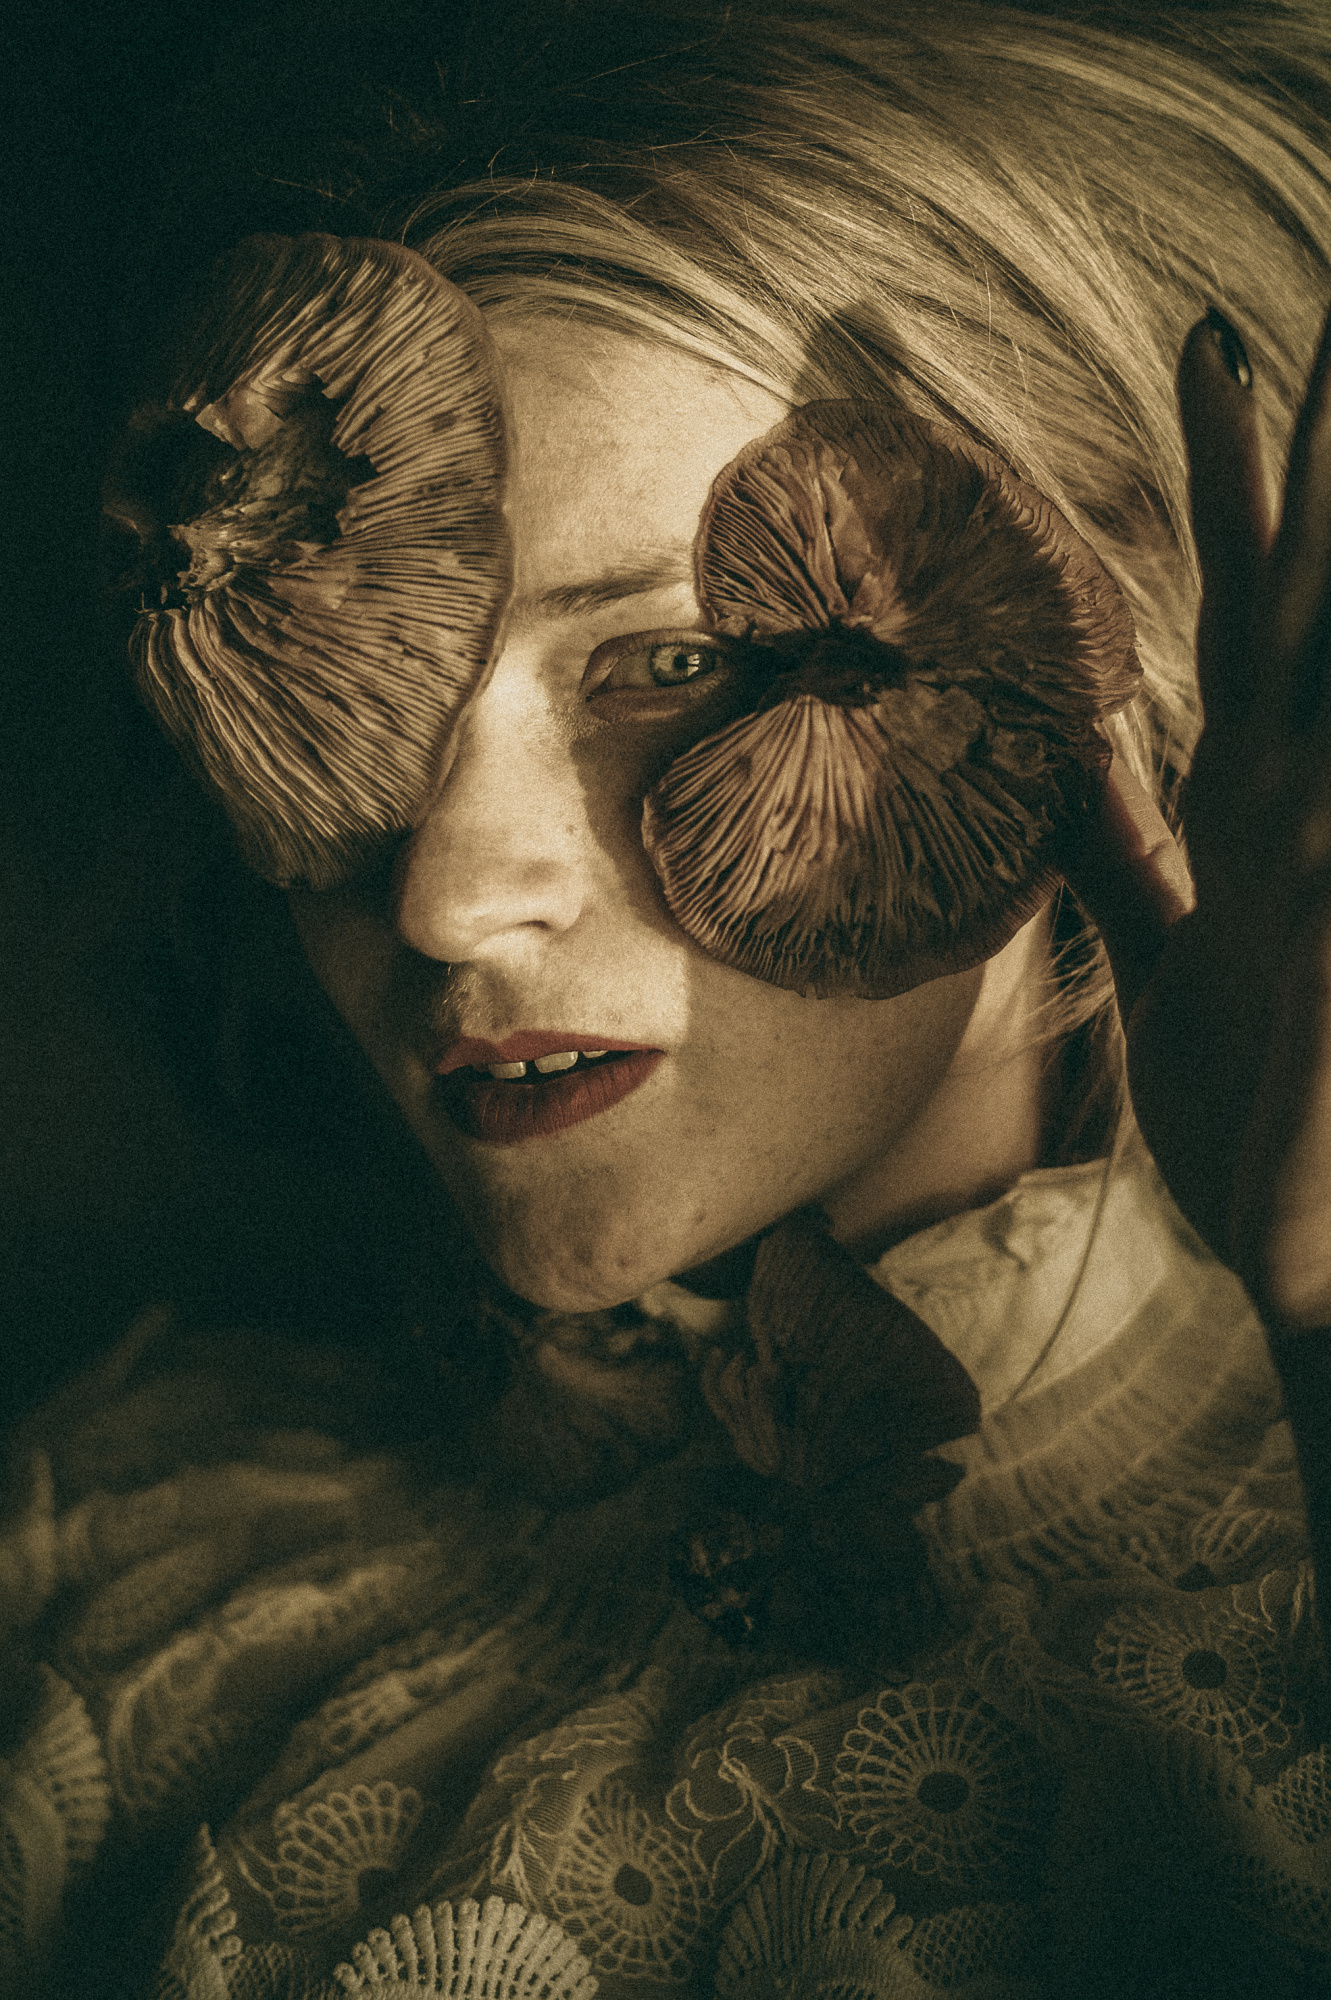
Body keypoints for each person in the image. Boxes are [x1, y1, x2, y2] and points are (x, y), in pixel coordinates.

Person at [2, 1, 1330, 1993]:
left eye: (674, 665)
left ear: (1118, 638)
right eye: (332, 683)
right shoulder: (117, 1589)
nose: (446, 899)